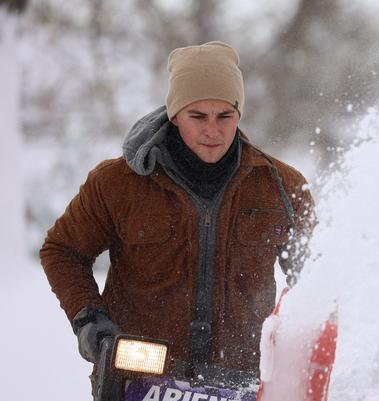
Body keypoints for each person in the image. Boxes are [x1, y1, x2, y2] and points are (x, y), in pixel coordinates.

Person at [40, 41, 315, 380]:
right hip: (136, 381)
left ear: (239, 114)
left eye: (225, 116)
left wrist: (301, 341)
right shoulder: (117, 182)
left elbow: (315, 276)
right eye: (198, 116)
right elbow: (62, 251)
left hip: (241, 387)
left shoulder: (281, 188)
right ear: (173, 114)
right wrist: (88, 317)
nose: (213, 130)